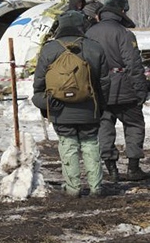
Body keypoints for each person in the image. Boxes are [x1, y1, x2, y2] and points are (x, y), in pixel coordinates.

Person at [32, 10, 110, 197]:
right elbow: (105, 82)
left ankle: (73, 188)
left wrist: (48, 104)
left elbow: (39, 84)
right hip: (89, 108)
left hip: (60, 109)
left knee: (68, 145)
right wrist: (100, 105)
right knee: (90, 143)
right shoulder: (95, 48)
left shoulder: (49, 49)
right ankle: (96, 187)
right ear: (81, 26)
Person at [85, 0, 149, 183]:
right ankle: (134, 168)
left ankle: (111, 169)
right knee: (135, 125)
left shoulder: (90, 33)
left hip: (98, 88)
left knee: (104, 127)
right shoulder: (124, 34)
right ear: (121, 12)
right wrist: (140, 90)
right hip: (124, 88)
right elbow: (133, 64)